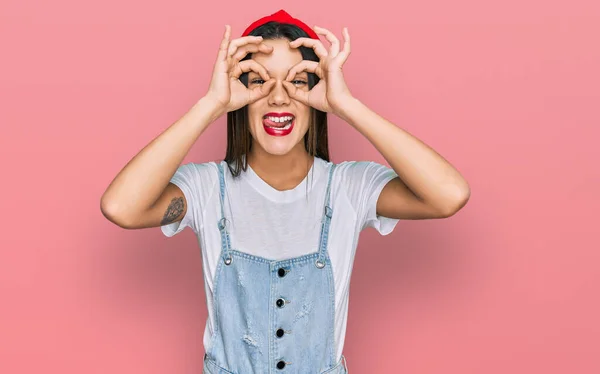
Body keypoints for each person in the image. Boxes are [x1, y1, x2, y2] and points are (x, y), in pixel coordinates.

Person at [100, 9, 470, 374]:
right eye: (259, 81)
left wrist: (347, 106)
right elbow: (121, 207)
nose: (278, 98)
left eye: (297, 81)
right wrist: (210, 105)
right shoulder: (207, 189)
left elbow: (448, 194)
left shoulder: (347, 188)